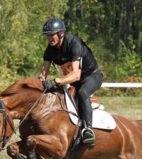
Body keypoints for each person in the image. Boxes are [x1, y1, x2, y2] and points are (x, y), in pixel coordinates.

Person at [38, 17, 104, 148]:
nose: (49, 39)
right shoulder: (50, 49)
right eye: (47, 36)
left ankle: (88, 130)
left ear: (61, 33)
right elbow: (43, 73)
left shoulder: (74, 44)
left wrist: (57, 81)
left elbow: (76, 75)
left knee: (82, 93)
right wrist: (40, 85)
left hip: (91, 77)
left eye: (52, 35)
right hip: (73, 81)